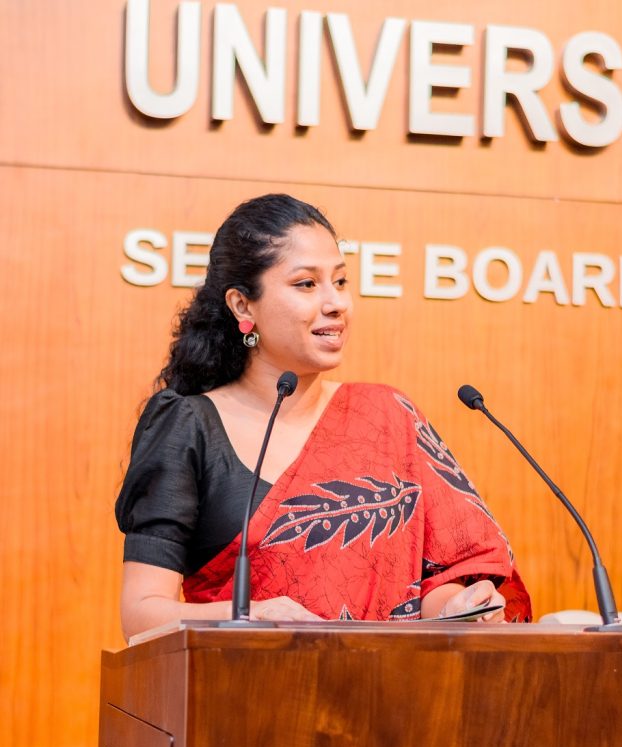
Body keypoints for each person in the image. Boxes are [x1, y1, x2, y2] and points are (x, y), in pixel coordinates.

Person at [116, 193, 531, 639]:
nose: (336, 304)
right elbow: (141, 612)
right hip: (243, 678)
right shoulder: (188, 425)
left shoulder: (388, 415)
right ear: (242, 305)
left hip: (390, 679)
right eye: (306, 284)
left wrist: (459, 606)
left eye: (341, 281)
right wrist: (255, 615)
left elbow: (428, 589)